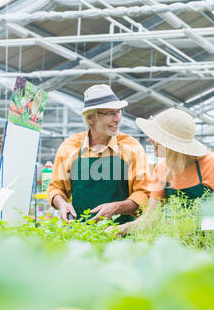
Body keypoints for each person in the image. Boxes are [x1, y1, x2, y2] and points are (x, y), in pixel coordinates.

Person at [115, 107, 214, 236]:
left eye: (155, 137)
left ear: (170, 144)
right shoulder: (161, 169)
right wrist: (124, 228)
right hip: (181, 244)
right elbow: (151, 217)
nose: (150, 140)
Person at [47, 84, 150, 223]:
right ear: (91, 118)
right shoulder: (69, 147)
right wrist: (62, 204)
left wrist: (117, 207)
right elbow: (56, 188)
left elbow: (144, 193)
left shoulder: (130, 147)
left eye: (119, 111)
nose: (118, 118)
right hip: (79, 234)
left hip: (120, 235)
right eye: (110, 113)